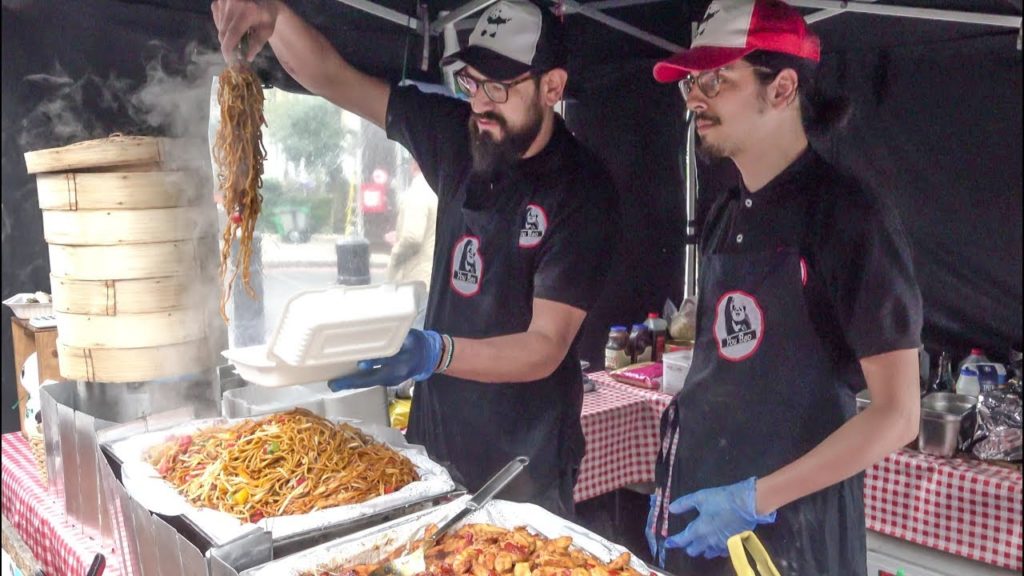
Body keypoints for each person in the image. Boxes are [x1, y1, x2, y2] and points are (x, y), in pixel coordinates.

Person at [212, 0, 618, 517]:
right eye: (472, 83)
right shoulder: (458, 136)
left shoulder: (583, 190)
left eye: (499, 87)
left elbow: (545, 346)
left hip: (524, 464)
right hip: (433, 448)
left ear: (553, 88)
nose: (480, 105)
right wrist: (273, 14)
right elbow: (333, 77)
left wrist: (435, 353)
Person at [645, 1, 923, 574]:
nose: (696, 97)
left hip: (793, 532)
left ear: (782, 87)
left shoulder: (849, 216)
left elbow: (898, 415)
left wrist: (754, 499)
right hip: (701, 510)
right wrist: (673, 482)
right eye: (693, 82)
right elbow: (719, 369)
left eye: (718, 78)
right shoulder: (724, 212)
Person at [386, 160, 438, 328]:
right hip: (433, 275)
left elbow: (412, 238)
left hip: (417, 277)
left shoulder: (417, 193)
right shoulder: (437, 190)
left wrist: (395, 254)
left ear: (414, 165)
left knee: (413, 335)